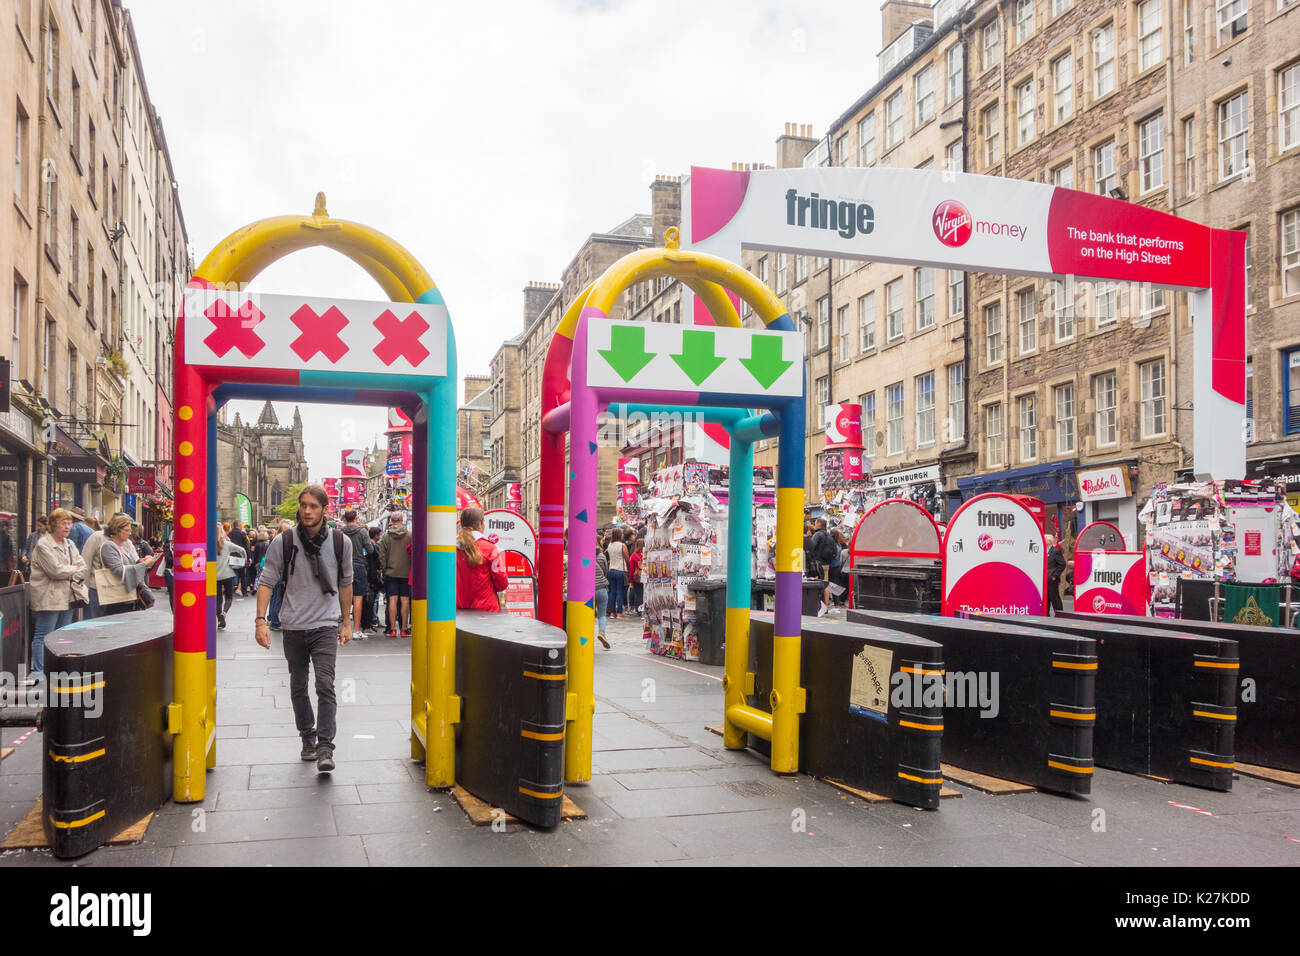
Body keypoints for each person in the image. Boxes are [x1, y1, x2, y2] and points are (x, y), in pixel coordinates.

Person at [254, 484, 353, 773]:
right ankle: (307, 737)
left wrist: (346, 623)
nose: (307, 511)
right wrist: (261, 621)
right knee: (298, 685)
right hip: (293, 625)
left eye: (313, 506)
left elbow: (346, 583)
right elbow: (266, 581)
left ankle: (325, 746)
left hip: (325, 623)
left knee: (325, 684)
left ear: (325, 509)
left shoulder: (340, 542)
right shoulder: (284, 541)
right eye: (303, 505)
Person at [29, 509, 87, 681]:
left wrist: (70, 570)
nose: (67, 526)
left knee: (62, 635)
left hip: (67, 596)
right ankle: (40, 671)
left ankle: (58, 669)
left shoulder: (69, 544)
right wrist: (72, 569)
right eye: (64, 523)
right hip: (48, 596)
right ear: (54, 525)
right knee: (44, 634)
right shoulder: (43, 545)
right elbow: (55, 571)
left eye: (69, 523)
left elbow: (82, 565)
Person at [92, 515, 158, 615]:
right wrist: (144, 564)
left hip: (128, 597)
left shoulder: (124, 546)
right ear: (117, 530)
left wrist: (141, 561)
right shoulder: (108, 546)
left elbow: (131, 564)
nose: (130, 533)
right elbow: (118, 570)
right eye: (127, 530)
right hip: (116, 598)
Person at [455, 507, 509, 613]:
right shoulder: (489, 548)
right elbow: (502, 583)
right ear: (480, 524)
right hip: (486, 611)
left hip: (460, 610)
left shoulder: (451, 549)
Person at [378, 512, 412, 638]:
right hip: (406, 572)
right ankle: (403, 629)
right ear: (402, 520)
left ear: (391, 521)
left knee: (392, 599)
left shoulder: (386, 537)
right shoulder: (410, 536)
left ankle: (392, 629)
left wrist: (385, 568)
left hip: (391, 573)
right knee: (405, 600)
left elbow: (381, 555)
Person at [340, 510, 372, 639]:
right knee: (358, 598)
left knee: (343, 596)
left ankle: (344, 627)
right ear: (356, 518)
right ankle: (356, 630)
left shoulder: (340, 532)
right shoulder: (362, 531)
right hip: (358, 565)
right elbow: (370, 549)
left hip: (343, 565)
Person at [214, 525, 246, 629]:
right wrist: (243, 560)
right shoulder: (227, 544)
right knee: (229, 597)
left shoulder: (208, 544)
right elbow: (242, 550)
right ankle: (224, 613)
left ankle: (219, 619)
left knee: (217, 599)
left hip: (213, 576)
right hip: (228, 574)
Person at [81, 524, 108, 618]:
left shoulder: (126, 541)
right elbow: (86, 561)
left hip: (116, 592)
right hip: (96, 589)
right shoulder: (97, 537)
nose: (128, 533)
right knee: (92, 623)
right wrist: (85, 588)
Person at [606, 528, 629, 620]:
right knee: (619, 591)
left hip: (611, 569)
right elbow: (627, 558)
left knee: (612, 592)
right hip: (620, 570)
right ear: (620, 535)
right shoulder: (622, 545)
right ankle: (619, 612)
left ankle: (612, 612)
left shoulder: (610, 545)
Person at [365, 525, 383, 632]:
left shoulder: (370, 545)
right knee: (373, 598)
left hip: (369, 574)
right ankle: (373, 619)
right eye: (379, 534)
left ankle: (372, 619)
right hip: (372, 575)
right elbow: (377, 559)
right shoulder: (374, 546)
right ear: (376, 535)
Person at [593, 542, 610, 650]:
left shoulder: (583, 557)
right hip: (602, 588)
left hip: (588, 591)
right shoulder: (601, 557)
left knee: (587, 614)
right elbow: (606, 571)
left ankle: (587, 636)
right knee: (602, 614)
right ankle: (602, 632)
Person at [1046, 535, 1068, 615]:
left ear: (1049, 541)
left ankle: (1059, 614)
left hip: (1052, 579)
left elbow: (1062, 564)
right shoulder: (1043, 551)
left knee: (1054, 597)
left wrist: (1055, 575)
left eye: (1045, 539)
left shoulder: (1056, 551)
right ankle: (1045, 614)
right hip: (1044, 579)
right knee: (1046, 598)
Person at [229, 521, 251, 596]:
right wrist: (249, 557)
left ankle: (230, 591)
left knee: (231, 574)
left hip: (231, 556)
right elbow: (246, 547)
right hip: (241, 557)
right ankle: (244, 592)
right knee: (242, 575)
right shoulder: (242, 534)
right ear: (239, 526)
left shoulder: (229, 534)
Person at [628, 537, 644, 613]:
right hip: (645, 576)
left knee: (639, 594)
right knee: (644, 593)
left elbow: (631, 569)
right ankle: (644, 609)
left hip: (637, 577)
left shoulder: (634, 555)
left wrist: (630, 580)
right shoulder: (647, 554)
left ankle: (639, 610)